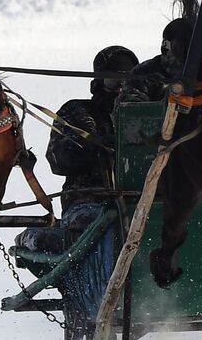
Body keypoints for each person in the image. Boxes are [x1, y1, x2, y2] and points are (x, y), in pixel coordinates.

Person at [17, 45, 139, 254]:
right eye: (113, 81)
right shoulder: (77, 111)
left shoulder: (145, 116)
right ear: (99, 83)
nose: (120, 89)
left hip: (140, 202)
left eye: (126, 83)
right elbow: (57, 160)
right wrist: (97, 145)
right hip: (87, 203)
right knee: (96, 226)